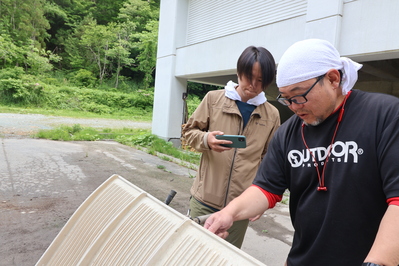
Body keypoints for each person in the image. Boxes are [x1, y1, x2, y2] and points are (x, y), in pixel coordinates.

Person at [204, 39, 399, 265]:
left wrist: (376, 263)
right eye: (286, 99)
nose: (294, 107)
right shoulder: (289, 133)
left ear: (333, 79)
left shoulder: (385, 116)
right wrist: (229, 213)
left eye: (299, 96)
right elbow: (266, 188)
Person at [182, 45, 280, 248]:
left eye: (261, 80)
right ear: (238, 73)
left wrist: (261, 198)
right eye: (248, 77)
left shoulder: (272, 114)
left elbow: (269, 161)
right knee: (191, 254)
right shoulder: (213, 99)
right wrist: (206, 139)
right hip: (204, 201)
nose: (253, 85)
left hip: (239, 208)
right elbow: (188, 132)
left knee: (225, 257)